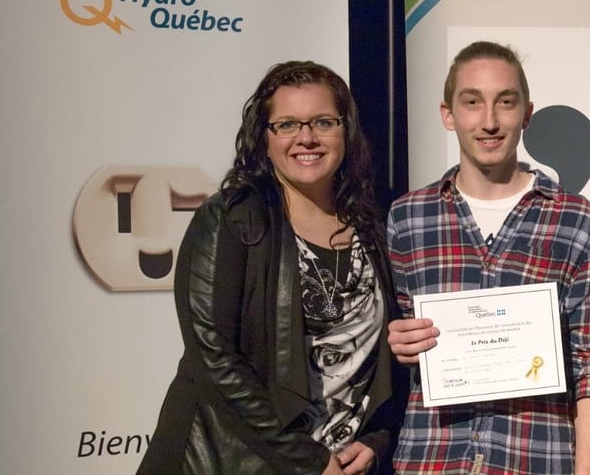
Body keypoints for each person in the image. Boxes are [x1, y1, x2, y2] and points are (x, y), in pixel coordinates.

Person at [139, 61, 406, 475]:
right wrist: (306, 459)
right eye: (286, 125)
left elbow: (389, 355)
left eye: (323, 122)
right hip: (236, 462)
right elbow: (214, 357)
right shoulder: (231, 220)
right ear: (264, 137)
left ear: (346, 132)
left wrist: (377, 438)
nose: (306, 138)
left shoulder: (374, 225)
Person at [384, 41, 590, 474]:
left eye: (504, 103)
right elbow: (393, 343)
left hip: (532, 461)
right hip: (430, 461)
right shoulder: (408, 218)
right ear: (448, 114)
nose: (489, 121)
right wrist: (396, 342)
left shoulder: (576, 220)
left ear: (526, 113)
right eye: (472, 102)